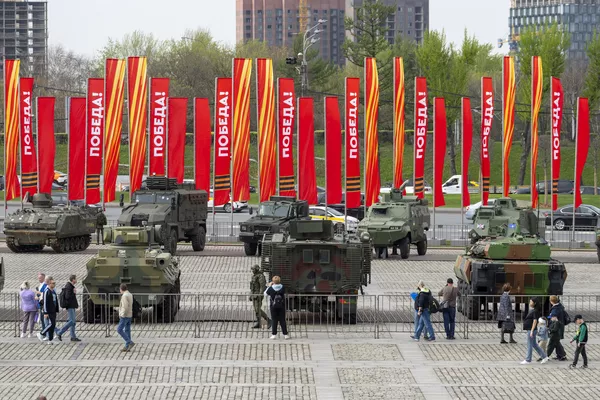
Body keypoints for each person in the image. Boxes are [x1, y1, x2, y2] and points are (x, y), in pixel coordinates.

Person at [520, 298, 549, 364]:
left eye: (531, 302)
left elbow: (535, 321)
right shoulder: (534, 310)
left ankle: (528, 359)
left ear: (534, 303)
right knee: (534, 345)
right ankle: (544, 356)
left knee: (529, 344)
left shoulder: (535, 311)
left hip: (531, 330)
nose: (530, 303)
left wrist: (532, 331)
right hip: (530, 329)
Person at [56, 275, 81, 342]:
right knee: (72, 321)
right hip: (70, 306)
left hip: (72, 306)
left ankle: (73, 336)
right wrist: (74, 293)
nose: (76, 280)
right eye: (76, 279)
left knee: (73, 322)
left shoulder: (70, 286)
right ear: (73, 280)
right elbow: (67, 297)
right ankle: (60, 332)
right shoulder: (69, 286)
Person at [37, 277, 59, 344]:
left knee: (53, 325)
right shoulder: (47, 291)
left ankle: (50, 339)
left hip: (53, 310)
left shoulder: (53, 291)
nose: (54, 284)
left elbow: (55, 301)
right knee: (51, 324)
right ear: (49, 284)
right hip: (49, 311)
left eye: (54, 283)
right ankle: (41, 333)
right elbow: (45, 303)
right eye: (52, 283)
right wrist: (46, 312)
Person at [249, 265, 271, 329]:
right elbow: (252, 287)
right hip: (254, 294)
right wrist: (251, 294)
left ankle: (269, 320)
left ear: (256, 269)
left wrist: (260, 295)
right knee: (256, 310)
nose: (252, 271)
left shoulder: (261, 276)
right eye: (252, 269)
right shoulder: (254, 276)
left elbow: (262, 286)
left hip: (258, 294)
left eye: (253, 269)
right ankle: (259, 323)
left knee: (258, 309)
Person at [548, 295, 568, 361]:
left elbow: (554, 319)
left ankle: (545, 356)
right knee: (557, 342)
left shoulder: (555, 310)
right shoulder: (560, 307)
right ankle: (561, 355)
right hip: (560, 327)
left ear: (551, 301)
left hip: (556, 328)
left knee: (553, 342)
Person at [116, 283, 135, 352]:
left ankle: (129, 342)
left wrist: (122, 314)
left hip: (125, 315)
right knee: (127, 330)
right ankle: (127, 346)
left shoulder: (124, 296)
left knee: (119, 329)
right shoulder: (130, 294)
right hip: (129, 314)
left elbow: (125, 307)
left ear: (121, 289)